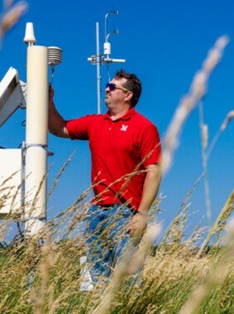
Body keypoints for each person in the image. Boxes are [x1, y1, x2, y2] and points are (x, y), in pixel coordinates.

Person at [48, 69, 162, 290]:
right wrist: (49, 100)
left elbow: (154, 172)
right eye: (107, 86)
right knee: (98, 280)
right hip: (96, 211)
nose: (106, 90)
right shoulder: (95, 122)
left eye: (112, 87)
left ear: (127, 95)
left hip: (126, 212)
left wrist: (142, 213)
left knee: (129, 280)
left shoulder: (144, 127)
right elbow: (59, 128)